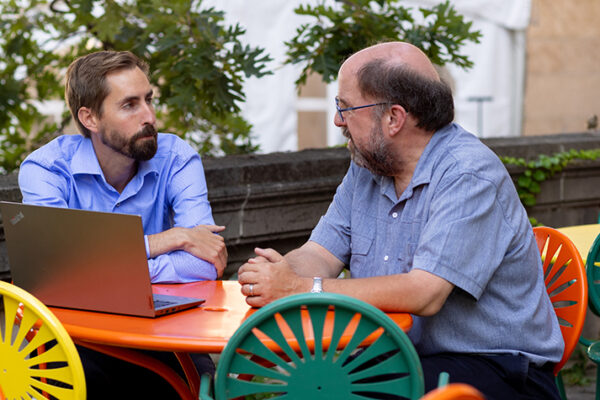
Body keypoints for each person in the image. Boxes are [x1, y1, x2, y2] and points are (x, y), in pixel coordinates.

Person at [237, 41, 564, 399]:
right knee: (314, 384)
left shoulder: (468, 174)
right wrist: (275, 273)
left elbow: (424, 294)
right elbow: (321, 253)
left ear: (394, 118)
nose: (337, 120)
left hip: (499, 368)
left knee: (339, 390)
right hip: (400, 353)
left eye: (346, 107)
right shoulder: (367, 167)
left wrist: (299, 288)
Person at [18, 50, 226, 398]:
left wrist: (102, 272)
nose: (150, 117)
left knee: (203, 386)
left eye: (148, 100)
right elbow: (54, 272)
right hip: (74, 339)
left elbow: (205, 262)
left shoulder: (177, 158)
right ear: (90, 118)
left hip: (161, 336)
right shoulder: (46, 169)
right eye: (130, 105)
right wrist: (167, 240)